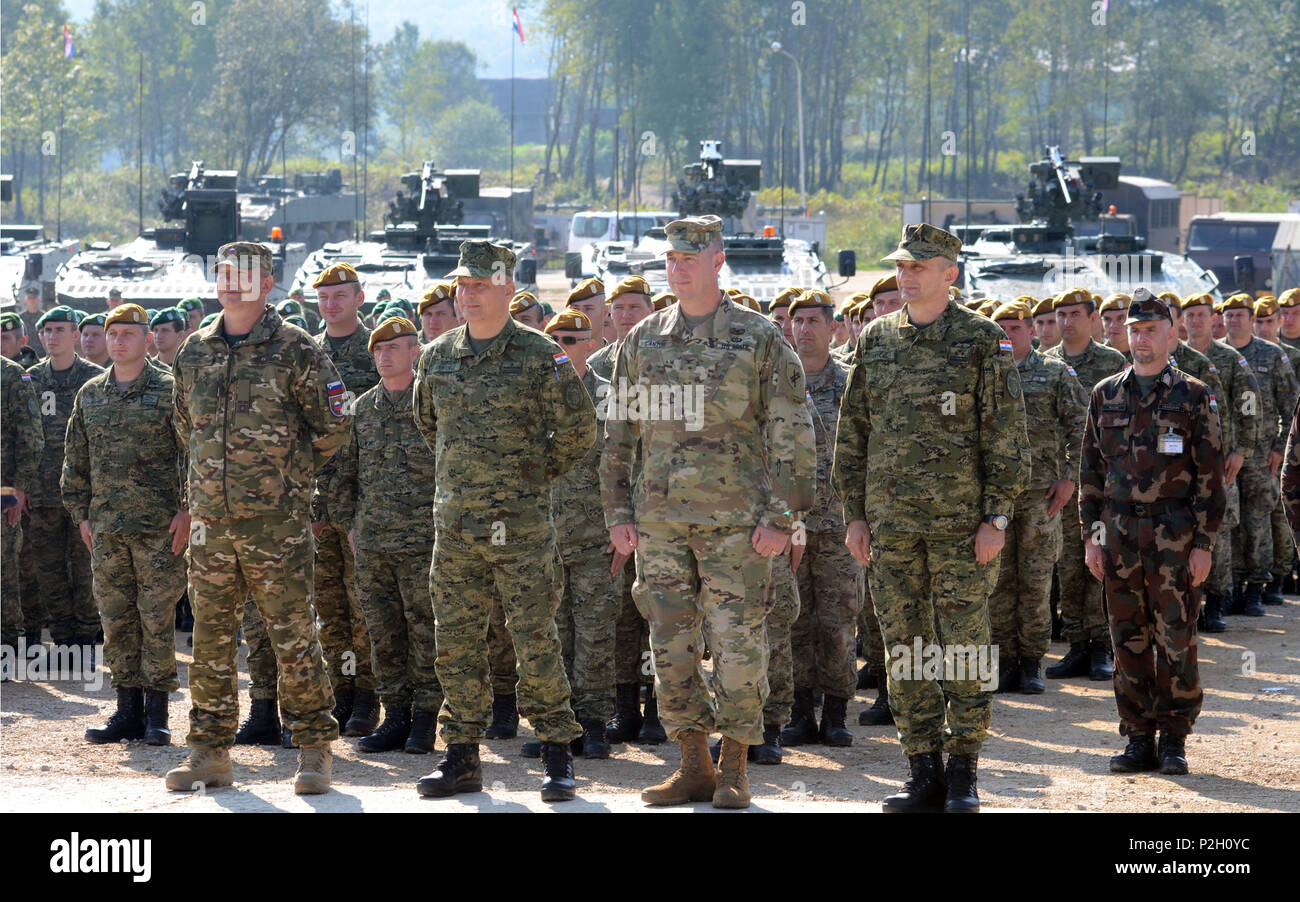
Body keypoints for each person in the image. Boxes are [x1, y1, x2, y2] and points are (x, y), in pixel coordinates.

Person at [602, 214, 815, 809]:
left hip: (737, 527)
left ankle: (735, 769)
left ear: (717, 261)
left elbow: (793, 433)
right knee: (669, 648)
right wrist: (618, 512)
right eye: (670, 261)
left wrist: (781, 519)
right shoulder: (643, 338)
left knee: (736, 647)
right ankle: (692, 764)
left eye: (688, 259)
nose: (677, 269)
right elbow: (618, 433)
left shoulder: (758, 338)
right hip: (659, 524)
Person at [833, 223, 1030, 813]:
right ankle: (921, 768)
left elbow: (1006, 436)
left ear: (951, 273)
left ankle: (964, 769)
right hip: (891, 529)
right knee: (905, 645)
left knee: (964, 645)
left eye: (920, 266)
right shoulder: (876, 340)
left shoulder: (981, 340)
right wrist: (855, 514)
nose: (907, 275)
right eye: (902, 266)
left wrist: (996, 517)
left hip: (959, 529)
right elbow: (854, 433)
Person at [165, 241, 352, 796]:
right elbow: (187, 428)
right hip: (211, 525)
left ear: (266, 284)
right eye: (224, 272)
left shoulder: (297, 350)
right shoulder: (195, 351)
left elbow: (333, 427)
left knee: (292, 635)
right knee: (211, 641)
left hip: (277, 524)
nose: (231, 281)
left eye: (244, 274)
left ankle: (315, 750)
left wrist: (285, 476)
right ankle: (209, 752)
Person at [412, 240, 592, 803]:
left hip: (521, 527)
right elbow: (429, 426)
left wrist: (529, 478)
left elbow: (578, 431)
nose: (468, 294)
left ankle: (559, 755)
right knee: (456, 642)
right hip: (457, 526)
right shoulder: (438, 355)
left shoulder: (541, 355)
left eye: (480, 285)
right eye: (462, 286)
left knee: (534, 636)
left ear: (508, 288)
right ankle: (461, 757)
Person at [1078, 289, 1225, 775]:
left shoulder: (1193, 394)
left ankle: (1175, 739)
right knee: (1127, 639)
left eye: (1150, 331)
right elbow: (1091, 473)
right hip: (1118, 534)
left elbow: (1210, 475)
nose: (1141, 339)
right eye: (1134, 330)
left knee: (1176, 637)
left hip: (1175, 536)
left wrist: (1204, 544)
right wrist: (1091, 536)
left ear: (1171, 333)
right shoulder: (1106, 393)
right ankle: (1138, 736)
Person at [61, 304, 189, 745]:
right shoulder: (90, 393)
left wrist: (187, 510)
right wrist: (81, 513)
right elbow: (76, 458)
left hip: (159, 528)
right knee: (116, 621)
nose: (118, 342)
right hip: (108, 527)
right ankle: (125, 711)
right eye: (111, 334)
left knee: (156, 620)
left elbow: (193, 456)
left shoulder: (171, 390)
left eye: (128, 334)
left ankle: (157, 715)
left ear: (147, 339)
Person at [329, 315, 442, 754]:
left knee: (424, 632)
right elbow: (341, 476)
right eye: (378, 350)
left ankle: (426, 720)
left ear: (415, 352)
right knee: (383, 635)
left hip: (423, 544)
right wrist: (350, 525)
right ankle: (394, 716)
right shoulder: (360, 410)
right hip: (373, 545)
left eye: (394, 348)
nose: (384, 356)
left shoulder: (431, 403)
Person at [987, 301, 1087, 693]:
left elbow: (1081, 425)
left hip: (1040, 495)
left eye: (1015, 328)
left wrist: (1068, 478)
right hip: (996, 496)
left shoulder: (1054, 372)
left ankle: (1030, 662)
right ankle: (1003, 660)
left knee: (1036, 580)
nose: (1008, 335)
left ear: (1030, 331)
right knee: (997, 581)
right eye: (1002, 329)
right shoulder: (986, 374)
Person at [540, 309, 620, 758]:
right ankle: (556, 722)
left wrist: (624, 526)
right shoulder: (534, 396)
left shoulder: (612, 398)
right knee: (550, 632)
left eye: (572, 339)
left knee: (595, 633)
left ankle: (592, 723)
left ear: (590, 345)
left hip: (596, 538)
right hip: (543, 539)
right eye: (555, 339)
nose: (563, 347)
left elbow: (632, 464)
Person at [586, 275, 662, 744]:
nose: (628, 314)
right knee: (617, 619)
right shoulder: (595, 368)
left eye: (637, 306)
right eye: (620, 308)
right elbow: (599, 452)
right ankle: (624, 709)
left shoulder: (668, 360)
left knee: (658, 612)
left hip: (659, 512)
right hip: (612, 515)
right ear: (610, 315)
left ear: (651, 309)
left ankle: (657, 708)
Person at [785, 290, 859, 750]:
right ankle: (797, 713)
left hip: (838, 525)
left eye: (815, 320)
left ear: (834, 328)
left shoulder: (851, 382)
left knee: (837, 622)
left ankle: (835, 713)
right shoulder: (776, 381)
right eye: (799, 321)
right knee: (793, 621)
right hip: (787, 524)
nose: (805, 329)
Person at [309, 261, 381, 735]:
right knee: (328, 606)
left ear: (359, 298)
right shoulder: (305, 353)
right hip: (315, 504)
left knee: (365, 607)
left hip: (365, 503)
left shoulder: (379, 349)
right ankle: (340, 689)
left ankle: (368, 699)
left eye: (341, 295)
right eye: (324, 297)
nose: (331, 304)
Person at [1045, 288, 1127, 682]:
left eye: (1075, 313)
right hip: (1060, 482)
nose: (1067, 321)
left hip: (1102, 481)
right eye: (1061, 313)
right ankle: (1077, 643)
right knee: (1068, 564)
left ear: (1092, 318)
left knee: (1100, 560)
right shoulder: (1047, 364)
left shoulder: (1112, 362)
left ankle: (1101, 646)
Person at [26, 306, 104, 654]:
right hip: (41, 492)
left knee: (85, 569)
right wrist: (21, 485)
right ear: (41, 337)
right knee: (49, 571)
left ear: (75, 335)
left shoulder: (96, 378)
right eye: (48, 331)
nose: (53, 337)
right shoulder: (30, 379)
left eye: (61, 330)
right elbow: (22, 435)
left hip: (83, 495)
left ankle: (86, 640)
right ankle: (62, 641)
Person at [1181, 292, 1259, 627]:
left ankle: (1216, 601)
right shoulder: (1173, 359)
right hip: (1181, 464)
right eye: (1190, 315)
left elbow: (1248, 406)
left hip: (1219, 461)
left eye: (1201, 315)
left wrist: (1241, 450)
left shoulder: (1229, 359)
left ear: (1213, 319)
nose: (1195, 321)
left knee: (1219, 531)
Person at [1221, 292, 1299, 613]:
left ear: (1250, 318)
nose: (1234, 320)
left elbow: (1291, 406)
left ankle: (1258, 584)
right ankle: (1231, 586)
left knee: (1257, 520)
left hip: (1261, 454)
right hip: (1225, 455)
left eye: (1241, 314)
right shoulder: (1217, 355)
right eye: (1229, 314)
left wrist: (1281, 449)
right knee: (1229, 522)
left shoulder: (1272, 355)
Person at [1, 353, 43, 677]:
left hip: (2, 492)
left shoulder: (13, 375)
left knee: (3, 576)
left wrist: (16, 490)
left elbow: (30, 437)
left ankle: (5, 653)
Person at [19, 284, 47, 358]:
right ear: (26, 299)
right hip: (25, 355)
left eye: (34, 298)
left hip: (42, 354)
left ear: (38, 299)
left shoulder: (44, 317)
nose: (32, 300)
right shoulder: (20, 318)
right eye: (29, 298)